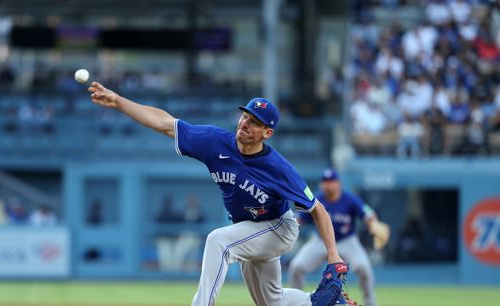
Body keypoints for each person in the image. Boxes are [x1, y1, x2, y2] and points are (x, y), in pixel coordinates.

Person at [88, 81, 347, 306]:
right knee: (272, 302)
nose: (245, 123)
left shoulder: (278, 168)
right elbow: (165, 123)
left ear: (267, 133)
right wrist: (120, 101)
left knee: (218, 241)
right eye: (245, 116)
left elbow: (317, 209)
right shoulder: (215, 142)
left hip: (278, 228)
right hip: (249, 228)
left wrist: (333, 255)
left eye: (254, 122)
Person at [288, 168, 390, 306]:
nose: (328, 184)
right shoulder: (317, 199)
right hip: (320, 241)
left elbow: (367, 213)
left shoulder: (350, 199)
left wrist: (373, 223)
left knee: (364, 267)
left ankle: (370, 302)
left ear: (338, 183)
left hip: (347, 240)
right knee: (296, 266)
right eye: (325, 181)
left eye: (331, 181)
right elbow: (299, 218)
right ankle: (297, 301)